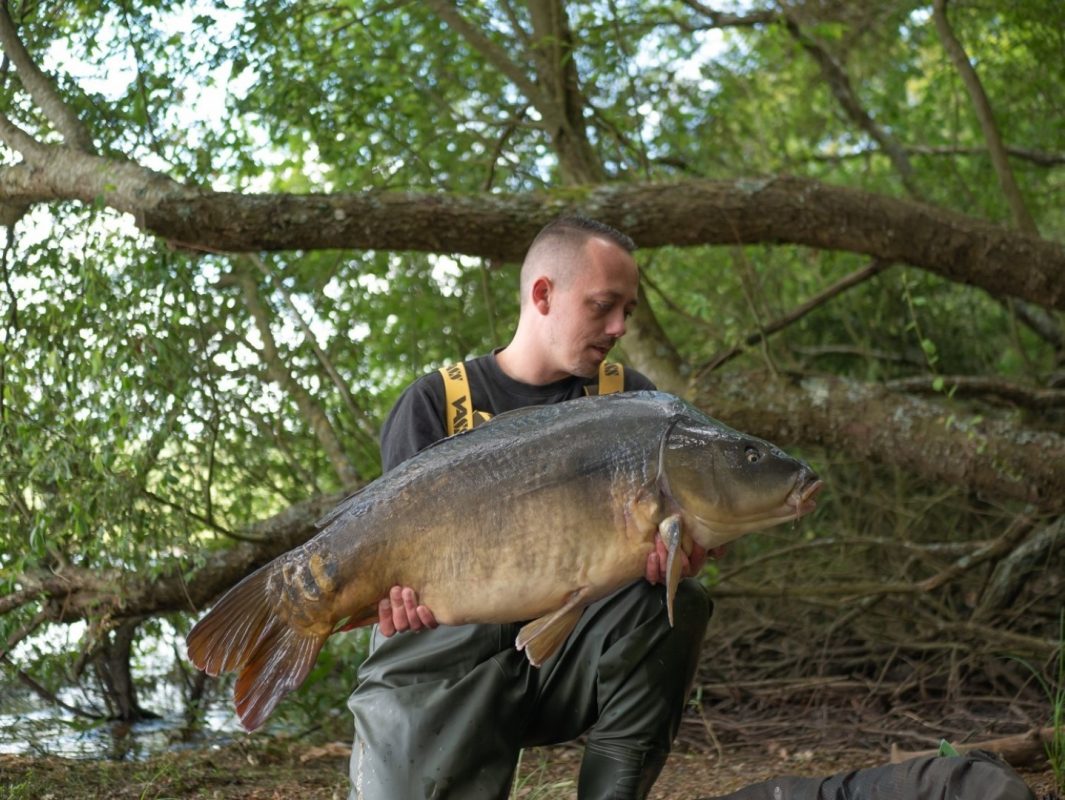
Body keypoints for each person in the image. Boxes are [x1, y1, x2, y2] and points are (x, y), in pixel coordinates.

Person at [348, 215, 713, 800]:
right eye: (603, 306)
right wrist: (395, 599)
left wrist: (677, 556)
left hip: (563, 661)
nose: (619, 326)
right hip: (444, 664)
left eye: (628, 310)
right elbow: (399, 557)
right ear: (544, 294)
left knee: (676, 604)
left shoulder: (633, 403)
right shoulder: (436, 401)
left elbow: (687, 522)